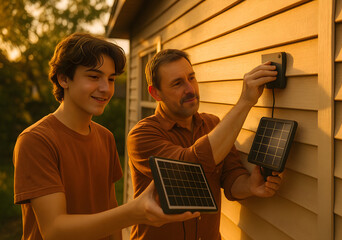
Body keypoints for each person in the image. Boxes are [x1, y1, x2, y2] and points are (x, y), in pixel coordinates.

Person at [13, 34, 199, 240]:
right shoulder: (36, 140)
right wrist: (133, 213)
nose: (105, 88)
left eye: (111, 79)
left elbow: (110, 212)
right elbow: (54, 230)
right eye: (94, 77)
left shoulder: (105, 137)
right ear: (63, 78)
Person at [127, 49, 283, 239]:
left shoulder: (212, 125)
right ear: (156, 93)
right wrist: (245, 102)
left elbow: (231, 177)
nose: (190, 89)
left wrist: (250, 185)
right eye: (177, 83)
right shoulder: (142, 135)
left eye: (191, 78)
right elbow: (188, 167)